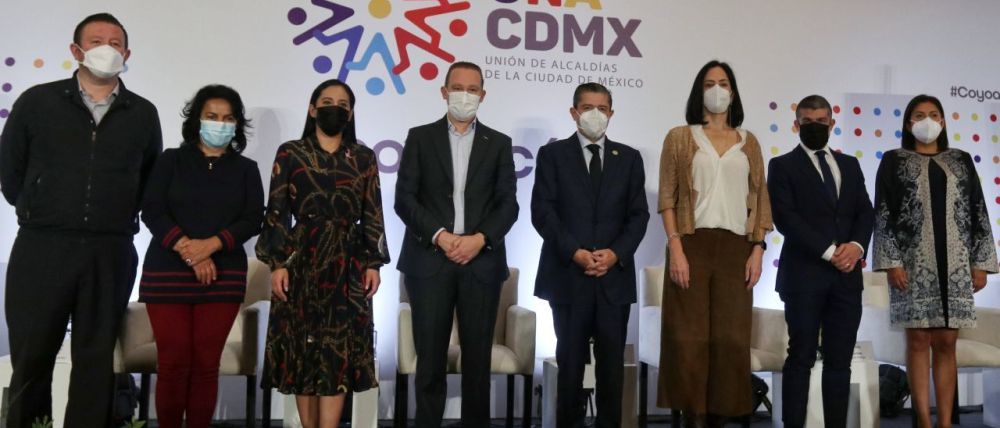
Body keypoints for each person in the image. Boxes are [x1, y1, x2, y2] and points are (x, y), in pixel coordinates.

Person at [0, 13, 162, 427]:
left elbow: (149, 178)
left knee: (95, 359)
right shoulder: (38, 102)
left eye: (115, 43)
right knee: (32, 355)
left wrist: (117, 217)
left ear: (127, 54)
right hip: (42, 245)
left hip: (110, 250)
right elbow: (10, 170)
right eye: (96, 41)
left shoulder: (143, 113)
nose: (107, 49)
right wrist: (38, 208)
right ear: (76, 50)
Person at [256, 79, 389, 428]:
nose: (335, 108)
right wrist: (277, 263)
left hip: (348, 264)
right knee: (303, 346)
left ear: (351, 113)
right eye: (327, 102)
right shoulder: (290, 153)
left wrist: (373, 263)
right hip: (300, 260)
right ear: (313, 109)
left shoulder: (363, 157)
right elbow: (277, 210)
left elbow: (373, 212)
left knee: (337, 349)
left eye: (343, 104)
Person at [394, 61, 518, 427]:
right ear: (444, 92)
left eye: (472, 89)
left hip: (481, 263)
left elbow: (508, 204)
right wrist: (441, 236)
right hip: (429, 261)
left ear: (483, 95)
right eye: (458, 88)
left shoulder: (498, 143)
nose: (465, 95)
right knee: (430, 362)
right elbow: (405, 199)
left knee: (477, 364)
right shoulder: (420, 137)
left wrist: (479, 239)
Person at [137, 85, 264, 428]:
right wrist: (190, 250)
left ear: (237, 125)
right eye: (212, 116)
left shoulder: (246, 169)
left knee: (207, 364)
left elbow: (252, 219)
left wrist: (212, 245)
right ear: (196, 120)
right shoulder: (170, 160)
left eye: (228, 118)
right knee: (173, 361)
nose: (220, 124)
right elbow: (152, 209)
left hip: (223, 275)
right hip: (167, 272)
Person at [656, 60, 772, 427]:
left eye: (723, 83)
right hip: (692, 244)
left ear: (733, 93)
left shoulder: (749, 142)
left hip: (737, 249)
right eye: (709, 84)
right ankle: (693, 418)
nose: (717, 90)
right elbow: (668, 197)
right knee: (688, 339)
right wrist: (676, 247)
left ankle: (719, 420)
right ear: (699, 91)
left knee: (730, 340)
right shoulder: (680, 137)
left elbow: (760, 200)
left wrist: (757, 249)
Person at [873, 94, 998, 428]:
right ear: (908, 122)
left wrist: (981, 262)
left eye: (933, 114)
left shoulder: (961, 160)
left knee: (946, 342)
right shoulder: (893, 160)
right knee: (917, 341)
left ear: (943, 121)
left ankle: (944, 423)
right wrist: (892, 262)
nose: (926, 120)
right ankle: (923, 422)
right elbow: (883, 213)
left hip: (956, 263)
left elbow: (979, 210)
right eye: (919, 115)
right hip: (912, 265)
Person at [531, 82, 649, 428]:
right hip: (568, 277)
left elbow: (638, 216)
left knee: (612, 369)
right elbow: (543, 212)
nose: (595, 114)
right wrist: (575, 252)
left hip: (614, 278)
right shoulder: (552, 155)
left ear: (611, 113)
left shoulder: (629, 158)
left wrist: (615, 254)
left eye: (602, 108)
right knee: (570, 366)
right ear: (574, 112)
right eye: (587, 108)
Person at [767, 95, 875, 428]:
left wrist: (856, 247)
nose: (815, 127)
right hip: (804, 277)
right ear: (796, 125)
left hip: (846, 278)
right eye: (807, 122)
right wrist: (831, 252)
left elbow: (865, 211)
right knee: (800, 357)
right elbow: (786, 218)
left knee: (840, 361)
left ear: (832, 123)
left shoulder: (850, 164)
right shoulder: (782, 165)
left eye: (821, 121)